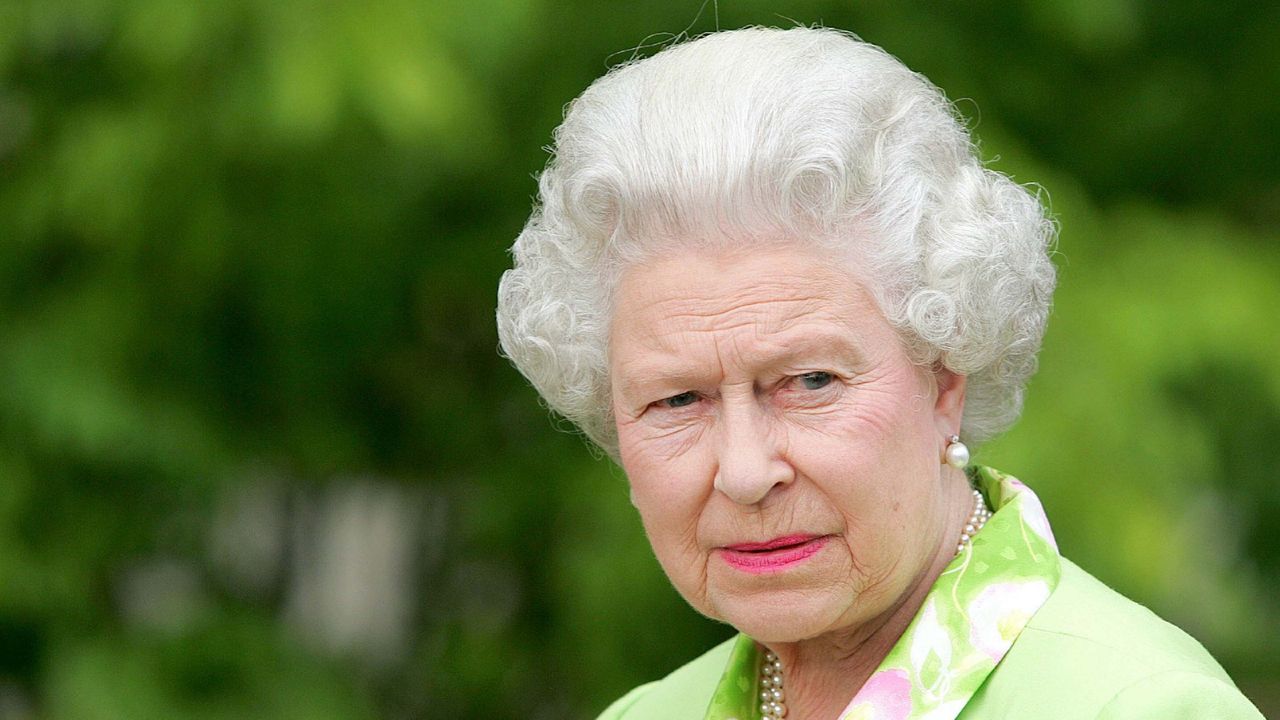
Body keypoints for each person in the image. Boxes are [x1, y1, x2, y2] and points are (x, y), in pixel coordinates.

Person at [495, 27, 1265, 720]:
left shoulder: (1141, 707)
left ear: (945, 377)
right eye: (677, 399)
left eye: (810, 382)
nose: (744, 471)